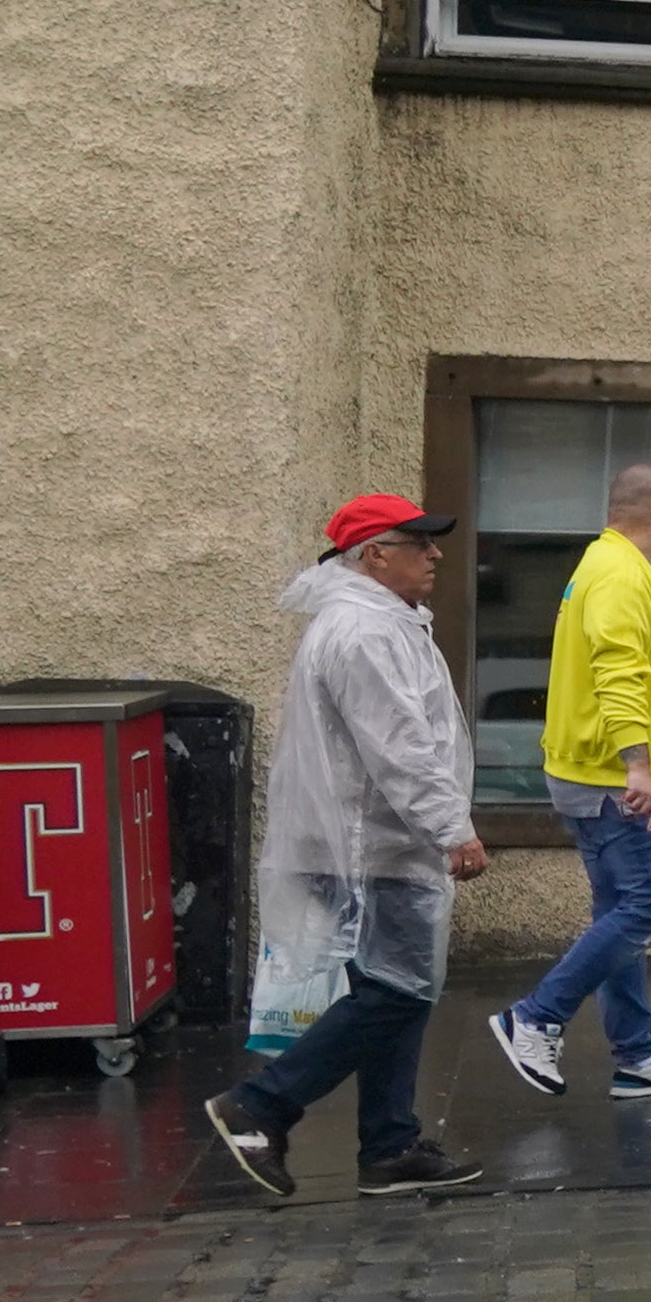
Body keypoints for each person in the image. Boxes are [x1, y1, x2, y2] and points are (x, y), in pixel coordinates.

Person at [204, 496, 488, 1200]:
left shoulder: (376, 622)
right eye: (418, 543)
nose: (436, 554)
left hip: (368, 842)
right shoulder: (364, 631)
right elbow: (399, 748)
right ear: (374, 556)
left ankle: (390, 1145)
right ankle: (262, 1105)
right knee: (396, 992)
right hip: (372, 846)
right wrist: (450, 827)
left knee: (393, 990)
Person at [484, 464, 651, 1097]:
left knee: (620, 909)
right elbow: (617, 672)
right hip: (615, 780)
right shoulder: (618, 575)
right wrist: (638, 764)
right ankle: (535, 1016)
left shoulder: (606, 568)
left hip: (598, 776)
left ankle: (635, 1054)